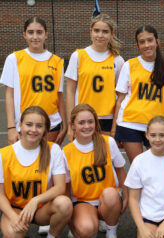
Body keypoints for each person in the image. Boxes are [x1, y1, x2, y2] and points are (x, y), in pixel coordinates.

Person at [0, 106, 72, 238]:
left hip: (42, 209)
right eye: (29, 124)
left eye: (39, 126)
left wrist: (35, 201)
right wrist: (12, 217)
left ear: (45, 129)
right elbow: (0, 194)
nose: (33, 130)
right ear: (20, 125)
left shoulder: (53, 150)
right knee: (13, 234)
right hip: (16, 208)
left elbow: (60, 187)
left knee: (64, 203)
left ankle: (52, 236)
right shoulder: (4, 154)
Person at [113, 25, 164, 163]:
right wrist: (114, 129)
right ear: (137, 45)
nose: (147, 45)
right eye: (142, 42)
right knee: (138, 169)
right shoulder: (129, 65)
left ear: (157, 42)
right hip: (129, 124)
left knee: (157, 168)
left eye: (150, 40)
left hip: (156, 126)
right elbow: (120, 99)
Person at [63, 104, 128, 238]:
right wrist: (70, 219)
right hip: (83, 201)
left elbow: (120, 171)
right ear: (72, 125)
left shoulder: (108, 142)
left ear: (95, 123)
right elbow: (66, 186)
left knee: (110, 194)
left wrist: (126, 195)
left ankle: (111, 232)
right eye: (81, 122)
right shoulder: (66, 152)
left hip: (107, 200)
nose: (86, 126)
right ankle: (87, 222)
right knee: (87, 229)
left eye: (90, 122)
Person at [0, 17, 67, 146]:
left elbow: (59, 95)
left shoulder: (57, 62)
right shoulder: (14, 59)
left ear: (46, 35)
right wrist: (11, 127)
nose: (35, 36)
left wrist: (64, 125)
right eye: (31, 32)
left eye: (39, 32)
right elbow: (9, 94)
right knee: (26, 164)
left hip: (51, 123)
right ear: (24, 35)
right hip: (25, 125)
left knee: (47, 163)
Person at [125, 116, 164, 238]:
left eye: (162, 135)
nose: (157, 139)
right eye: (153, 135)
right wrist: (141, 227)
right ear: (147, 135)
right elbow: (133, 199)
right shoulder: (139, 161)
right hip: (147, 218)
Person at [66, 13, 124, 140]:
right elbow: (70, 91)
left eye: (105, 31)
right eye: (96, 30)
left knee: (104, 157)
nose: (100, 35)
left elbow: (121, 95)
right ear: (90, 31)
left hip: (107, 118)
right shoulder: (78, 56)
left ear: (112, 34)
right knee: (83, 157)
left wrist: (115, 125)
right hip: (82, 117)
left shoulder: (118, 60)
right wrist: (71, 123)